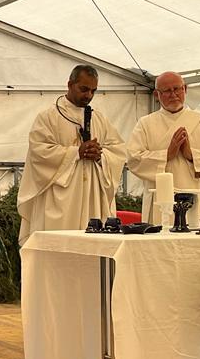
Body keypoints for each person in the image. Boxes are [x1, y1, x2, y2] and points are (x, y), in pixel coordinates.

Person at [17, 65, 126, 245]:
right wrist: (76, 152)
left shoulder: (99, 119)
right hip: (60, 196)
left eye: (93, 91)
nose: (89, 95)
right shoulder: (48, 117)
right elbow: (39, 151)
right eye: (84, 89)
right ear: (70, 84)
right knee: (58, 247)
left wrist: (100, 155)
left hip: (92, 194)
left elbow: (118, 150)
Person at [127, 71, 200, 224]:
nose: (173, 94)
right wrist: (166, 155)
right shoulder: (145, 124)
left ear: (185, 89)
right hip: (160, 201)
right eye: (167, 91)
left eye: (177, 89)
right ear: (156, 94)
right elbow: (134, 159)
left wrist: (191, 155)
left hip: (197, 198)